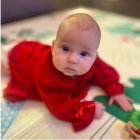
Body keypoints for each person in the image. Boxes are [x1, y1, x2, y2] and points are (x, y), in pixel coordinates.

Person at [2, 13, 133, 132]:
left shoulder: (93, 63)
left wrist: (115, 90)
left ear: (95, 56)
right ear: (53, 47)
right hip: (17, 57)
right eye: (65, 48)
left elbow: (105, 72)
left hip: (32, 47)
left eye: (83, 53)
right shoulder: (47, 77)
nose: (72, 59)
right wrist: (88, 109)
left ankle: (19, 40)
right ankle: (15, 44)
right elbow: (59, 107)